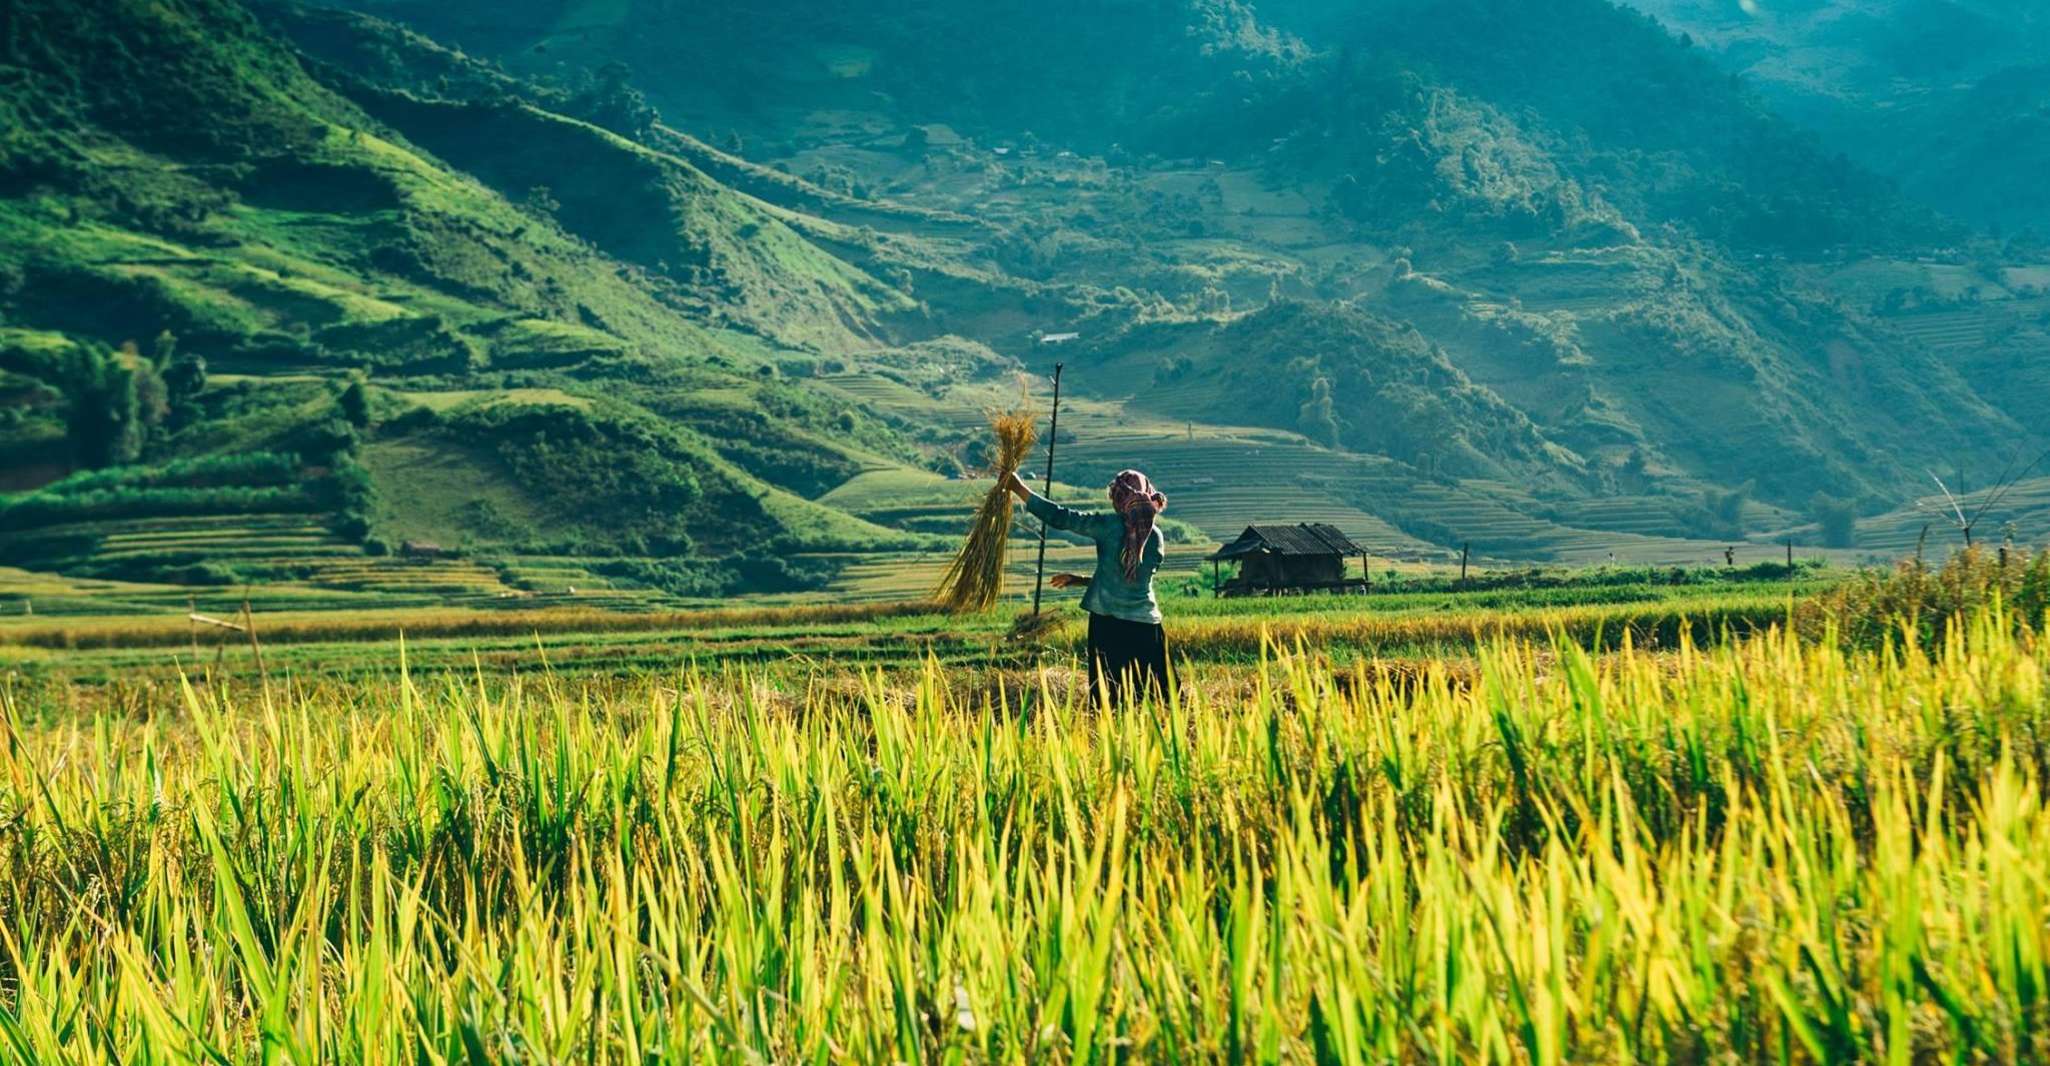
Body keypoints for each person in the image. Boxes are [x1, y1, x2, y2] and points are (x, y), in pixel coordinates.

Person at [1003, 468, 1170, 707]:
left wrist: (1019, 488)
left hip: (1109, 626)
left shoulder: (1108, 526)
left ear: (1119, 499)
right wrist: (1079, 579)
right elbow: (1128, 581)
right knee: (1155, 700)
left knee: (1110, 700)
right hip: (1147, 628)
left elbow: (1062, 517)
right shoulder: (1155, 537)